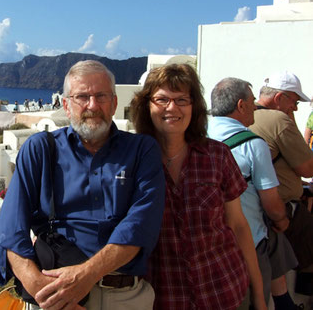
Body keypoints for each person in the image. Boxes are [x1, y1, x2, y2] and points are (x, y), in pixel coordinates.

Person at [0, 60, 166, 310]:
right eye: (82, 97)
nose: (92, 106)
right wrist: (44, 292)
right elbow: (10, 229)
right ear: (66, 105)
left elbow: (140, 226)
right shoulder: (40, 149)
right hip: (52, 293)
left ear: (114, 103)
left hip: (122, 297)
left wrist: (85, 276)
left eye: (101, 96)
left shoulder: (141, 151)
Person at [130, 64, 267, 309]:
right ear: (146, 105)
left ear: (194, 107)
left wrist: (259, 294)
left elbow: (238, 225)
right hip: (161, 298)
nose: (172, 107)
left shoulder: (217, 155)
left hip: (222, 291)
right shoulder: (132, 162)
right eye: (162, 99)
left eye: (182, 99)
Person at [208, 77, 299, 309]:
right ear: (241, 106)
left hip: (209, 242)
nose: (255, 109)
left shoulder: (198, 136)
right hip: (246, 242)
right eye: (252, 104)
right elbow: (271, 202)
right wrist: (282, 220)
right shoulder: (252, 144)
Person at [249, 71, 313, 297]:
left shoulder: (245, 116)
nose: (295, 108)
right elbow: (308, 167)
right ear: (279, 98)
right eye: (294, 102)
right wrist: (290, 120)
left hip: (250, 207)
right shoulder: (278, 120)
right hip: (278, 207)